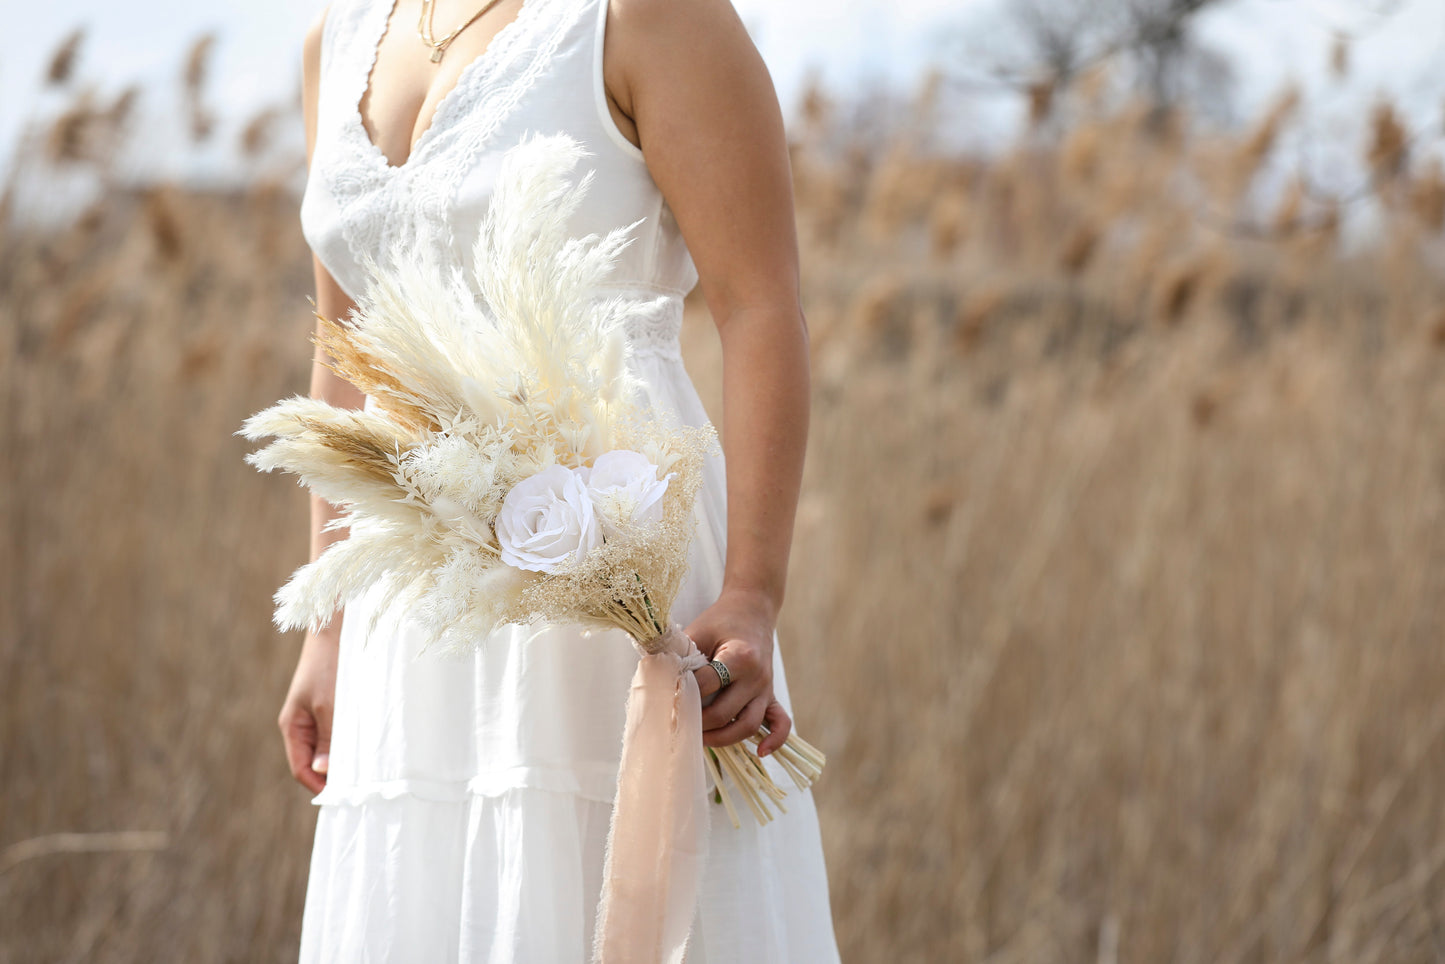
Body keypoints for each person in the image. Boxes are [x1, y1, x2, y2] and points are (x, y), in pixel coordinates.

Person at [281, 0, 840, 958]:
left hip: (619, 544)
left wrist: (752, 592)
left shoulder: (650, 17)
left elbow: (758, 308)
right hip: (413, 600)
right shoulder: (335, 39)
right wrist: (326, 631)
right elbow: (347, 359)